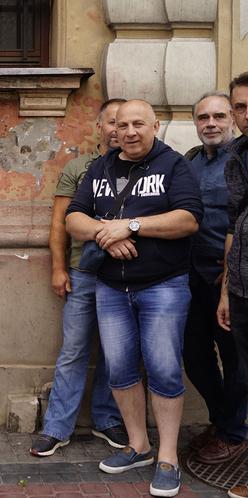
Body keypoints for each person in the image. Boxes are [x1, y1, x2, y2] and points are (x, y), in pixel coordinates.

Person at [66, 100, 203, 497]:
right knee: (121, 371)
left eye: (138, 123)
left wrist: (133, 225)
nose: (128, 131)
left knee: (163, 370)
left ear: (155, 125)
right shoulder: (102, 166)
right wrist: (105, 235)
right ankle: (139, 446)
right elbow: (74, 217)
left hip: (162, 285)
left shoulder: (173, 165)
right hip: (110, 287)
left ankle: (168, 458)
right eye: (122, 124)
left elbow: (189, 218)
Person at [30, 99, 127, 457]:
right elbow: (59, 223)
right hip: (83, 273)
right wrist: (58, 267)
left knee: (117, 353)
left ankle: (107, 419)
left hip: (126, 276)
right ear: (100, 128)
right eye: (112, 123)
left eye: (126, 122)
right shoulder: (78, 168)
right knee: (74, 351)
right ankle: (57, 427)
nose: (119, 130)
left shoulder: (144, 169)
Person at [182, 92, 246, 464]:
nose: (211, 123)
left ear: (231, 119)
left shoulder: (240, 160)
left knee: (235, 360)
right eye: (203, 117)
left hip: (232, 274)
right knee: (193, 355)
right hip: (191, 272)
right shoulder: (189, 162)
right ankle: (224, 419)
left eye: (219, 116)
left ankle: (232, 432)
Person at [217, 72, 248, 498]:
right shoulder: (237, 154)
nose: (245, 114)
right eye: (240, 106)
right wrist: (224, 289)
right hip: (242, 287)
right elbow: (232, 226)